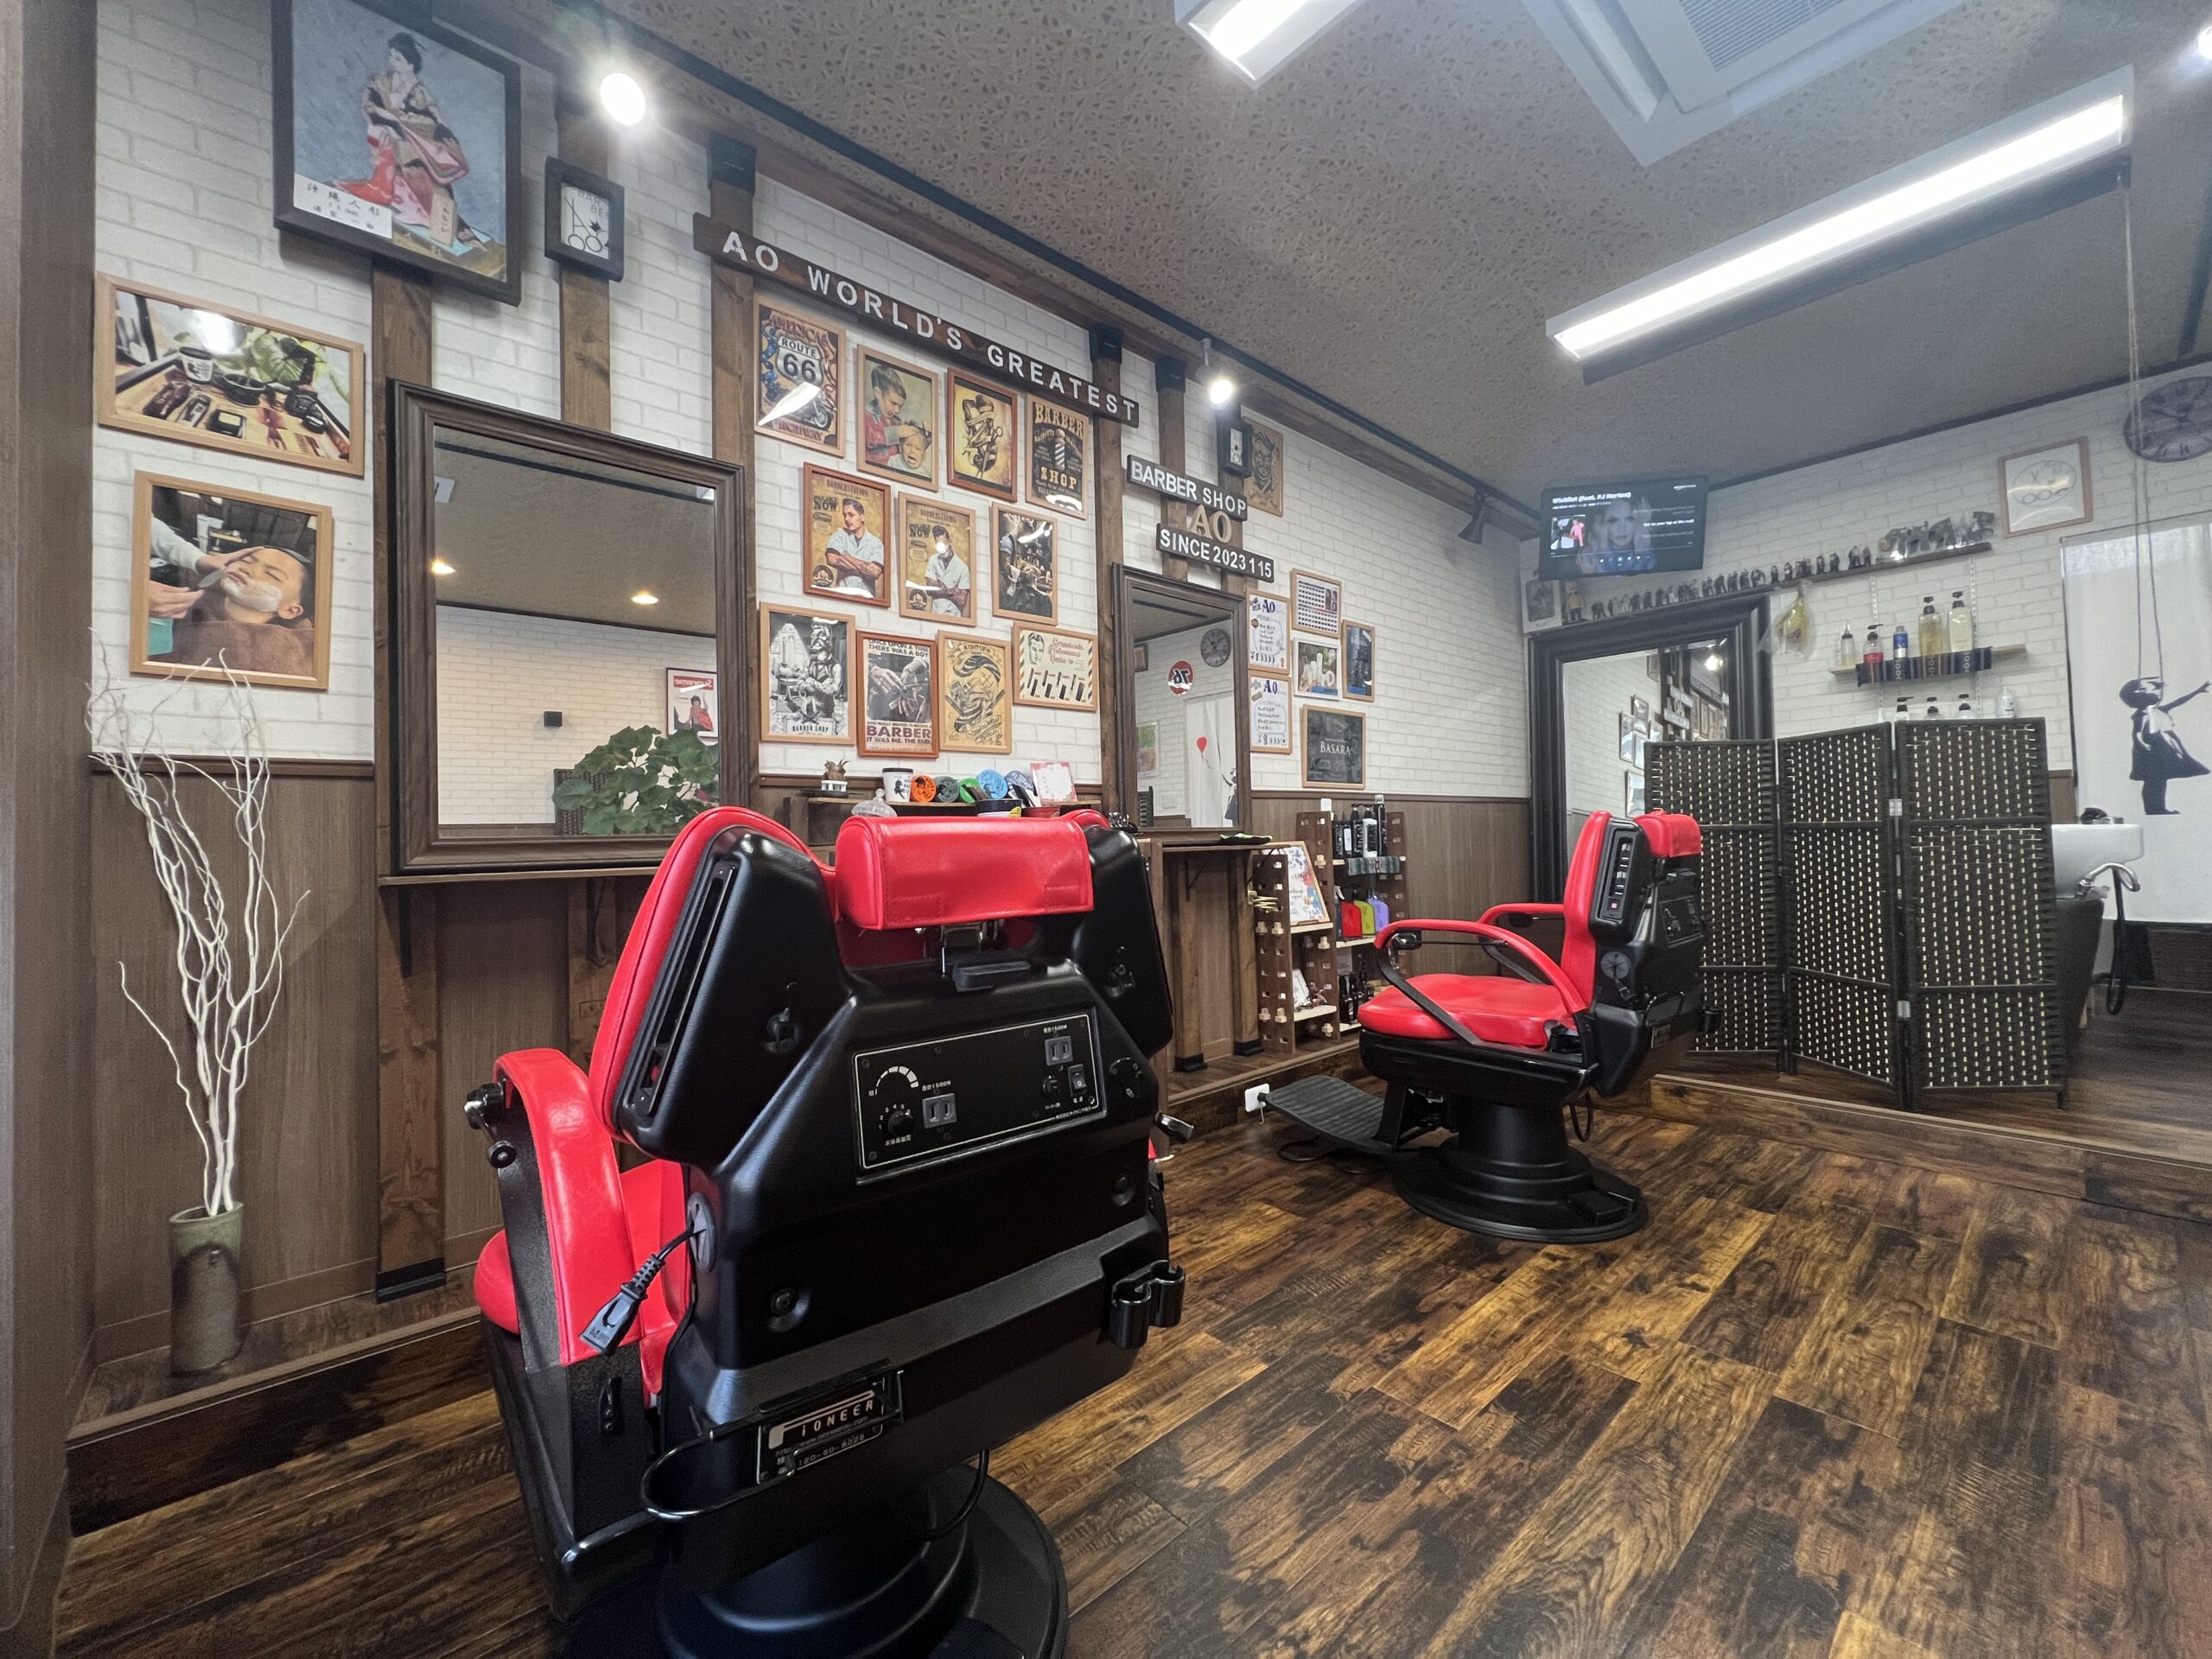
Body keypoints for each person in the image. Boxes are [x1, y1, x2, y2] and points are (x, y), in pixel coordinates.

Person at [340, 32, 485, 259]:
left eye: (398, 58)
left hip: (415, 141)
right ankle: (431, 218)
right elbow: (368, 103)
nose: (392, 61)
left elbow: (434, 119)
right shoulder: (381, 80)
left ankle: (451, 227)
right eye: (391, 56)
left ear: (410, 64)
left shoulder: (419, 92)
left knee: (428, 179)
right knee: (402, 166)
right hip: (386, 135)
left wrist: (404, 122)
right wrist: (385, 118)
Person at [151, 543, 317, 680]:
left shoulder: (286, 659)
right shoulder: (177, 606)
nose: (247, 569)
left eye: (272, 575)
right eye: (246, 561)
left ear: (290, 610)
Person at [2122, 676, 2209, 816]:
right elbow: (2137, 733)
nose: (2157, 692)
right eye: (2150, 690)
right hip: (2151, 750)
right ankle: (2153, 808)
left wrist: (2197, 691)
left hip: (2161, 748)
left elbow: (2178, 702)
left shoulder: (2158, 710)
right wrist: (2144, 744)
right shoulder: (2142, 715)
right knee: (2153, 781)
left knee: (2159, 780)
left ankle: (2158, 808)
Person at [862, 365, 930, 478]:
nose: (897, 410)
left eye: (900, 406)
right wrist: (896, 433)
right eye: (893, 403)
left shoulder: (896, 421)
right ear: (878, 393)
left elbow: (914, 442)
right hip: (874, 475)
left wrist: (927, 435)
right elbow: (869, 437)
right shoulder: (867, 415)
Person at [821, 497, 885, 600]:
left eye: (851, 515)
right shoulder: (839, 535)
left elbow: (875, 572)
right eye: (845, 515)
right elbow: (831, 559)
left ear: (862, 517)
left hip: (867, 599)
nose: (846, 519)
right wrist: (864, 570)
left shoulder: (876, 543)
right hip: (841, 596)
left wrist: (846, 556)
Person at [1578, 495, 1654, 575]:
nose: (1621, 528)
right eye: (1613, 521)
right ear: (1602, 523)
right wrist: (1589, 573)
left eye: (1629, 519)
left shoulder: (1647, 553)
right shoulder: (1589, 555)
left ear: (1638, 522)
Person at [910, 528, 970, 617]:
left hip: (954, 616)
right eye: (939, 544)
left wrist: (940, 587)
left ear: (950, 542)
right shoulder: (933, 560)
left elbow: (962, 600)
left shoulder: (963, 568)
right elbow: (929, 590)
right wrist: (952, 591)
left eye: (945, 543)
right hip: (936, 614)